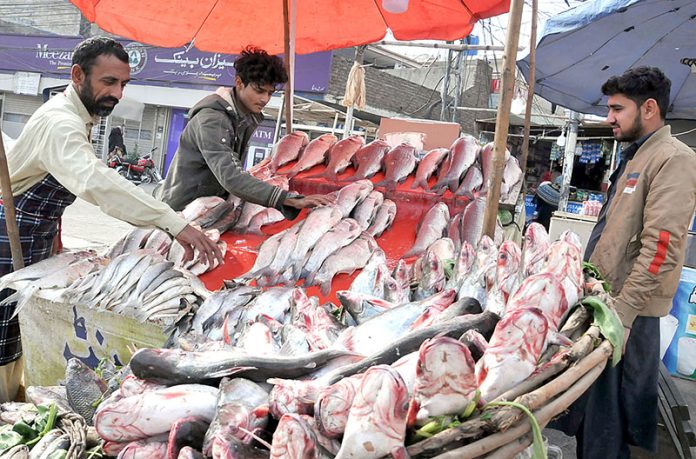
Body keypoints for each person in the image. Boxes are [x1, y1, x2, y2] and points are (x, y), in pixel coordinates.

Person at [0, 37, 223, 402]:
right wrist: (173, 222)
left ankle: (11, 398)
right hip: (9, 234)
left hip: (34, 233)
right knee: (4, 332)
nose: (117, 93)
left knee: (17, 330)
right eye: (108, 82)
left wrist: (55, 242)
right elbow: (98, 183)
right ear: (78, 75)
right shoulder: (61, 123)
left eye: (123, 84)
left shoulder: (74, 114)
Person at [552, 67, 696, 458]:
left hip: (630, 314)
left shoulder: (674, 159)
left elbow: (662, 246)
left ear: (649, 108)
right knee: (592, 417)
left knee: (609, 426)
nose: (609, 118)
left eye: (617, 108)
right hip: (608, 305)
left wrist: (627, 316)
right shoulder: (637, 156)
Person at [158, 46, 333, 216]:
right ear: (239, 83)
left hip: (209, 206)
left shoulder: (242, 116)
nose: (265, 99)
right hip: (182, 210)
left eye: (270, 93)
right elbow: (231, 177)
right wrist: (290, 199)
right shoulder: (213, 120)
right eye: (259, 90)